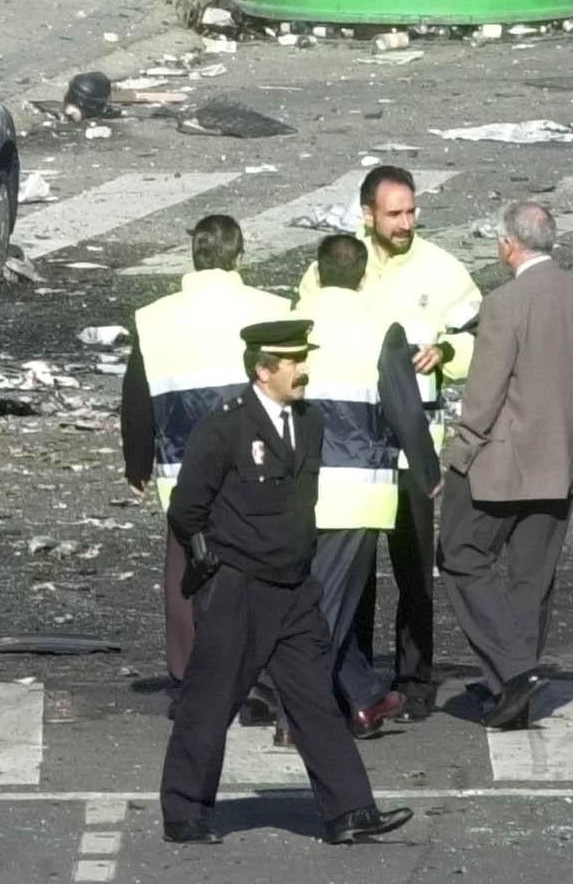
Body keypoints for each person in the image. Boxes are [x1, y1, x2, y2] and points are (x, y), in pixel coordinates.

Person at [159, 319, 411, 846]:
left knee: (315, 699)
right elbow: (186, 509)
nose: (303, 370)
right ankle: (185, 812)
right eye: (292, 361)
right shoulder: (226, 427)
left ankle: (350, 811)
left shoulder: (310, 421)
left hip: (296, 588)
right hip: (239, 587)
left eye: (303, 359)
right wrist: (213, 562)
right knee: (211, 701)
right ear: (263, 368)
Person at [299, 164, 481, 723]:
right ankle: (355, 679)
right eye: (394, 213)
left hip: (415, 439)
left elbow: (477, 336)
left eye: (411, 211)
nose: (406, 222)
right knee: (351, 571)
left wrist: (449, 353)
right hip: (350, 446)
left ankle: (414, 678)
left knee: (413, 568)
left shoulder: (444, 270)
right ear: (368, 214)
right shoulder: (335, 266)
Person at [439, 202, 573, 730]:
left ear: (508, 245)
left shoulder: (503, 303)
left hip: (501, 461)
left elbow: (484, 395)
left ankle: (513, 672)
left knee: (462, 556)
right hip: (562, 457)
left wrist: (458, 454)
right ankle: (512, 692)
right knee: (531, 580)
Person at [120, 214, 289, 688]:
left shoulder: (153, 318)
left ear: (193, 255)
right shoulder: (273, 308)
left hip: (183, 470)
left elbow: (137, 397)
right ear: (240, 255)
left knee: (186, 575)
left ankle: (190, 673)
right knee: (257, 573)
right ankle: (255, 674)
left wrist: (138, 462)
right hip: (257, 470)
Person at [291, 235, 441, 739]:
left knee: (318, 596)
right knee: (331, 608)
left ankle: (364, 699)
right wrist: (428, 471)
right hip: (358, 490)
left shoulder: (295, 320)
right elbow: (403, 408)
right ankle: (300, 715)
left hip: (298, 485)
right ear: (361, 275)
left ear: (319, 271)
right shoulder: (382, 328)